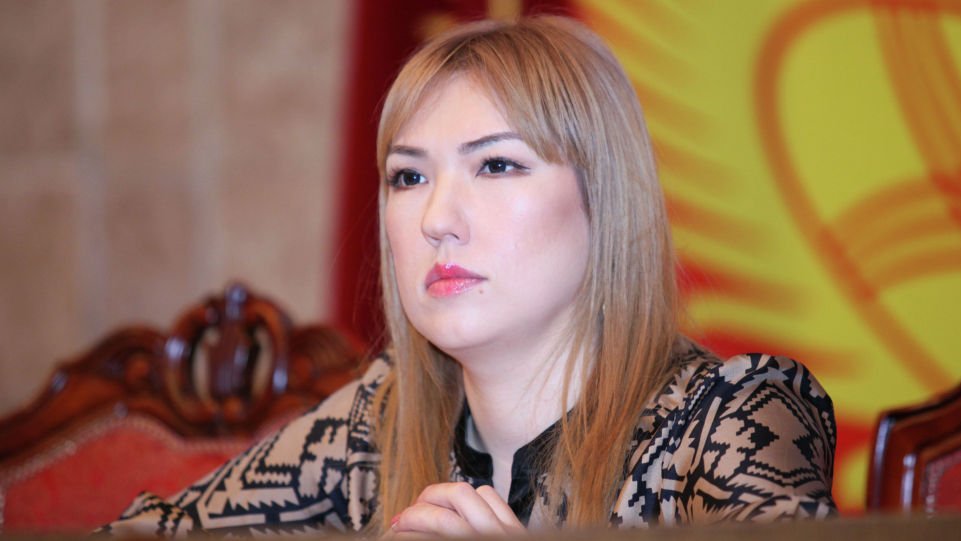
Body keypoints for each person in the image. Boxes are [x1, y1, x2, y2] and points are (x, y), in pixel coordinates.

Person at [101, 15, 836, 538]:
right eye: (409, 176)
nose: (437, 219)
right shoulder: (375, 424)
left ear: (605, 201)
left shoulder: (735, 416)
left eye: (497, 164)